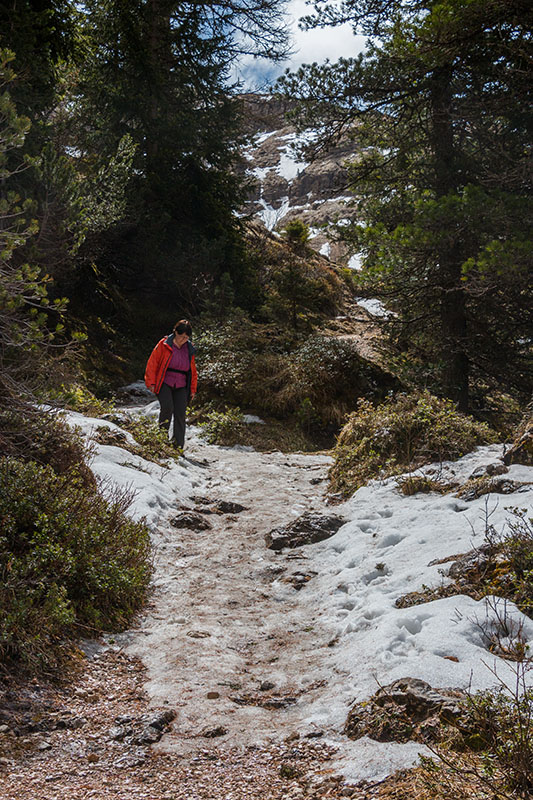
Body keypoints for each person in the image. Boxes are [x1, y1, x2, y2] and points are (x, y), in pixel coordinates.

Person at [144, 320, 198, 450]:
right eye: (181, 336)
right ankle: (161, 440)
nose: (183, 340)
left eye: (186, 337)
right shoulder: (164, 344)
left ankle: (178, 445)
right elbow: (153, 363)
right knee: (167, 408)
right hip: (164, 381)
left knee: (180, 413)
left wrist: (192, 389)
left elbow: (193, 370)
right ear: (175, 333)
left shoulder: (189, 348)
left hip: (181, 383)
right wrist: (150, 381)